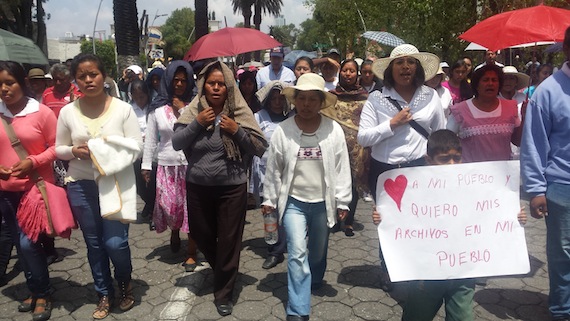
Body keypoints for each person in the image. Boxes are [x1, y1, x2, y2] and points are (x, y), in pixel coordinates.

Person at [373, 129, 527, 321]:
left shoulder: (472, 185)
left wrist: (514, 216)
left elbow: (491, 211)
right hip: (426, 274)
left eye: (457, 158)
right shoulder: (416, 189)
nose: (452, 164)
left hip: (463, 272)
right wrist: (383, 217)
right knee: (416, 316)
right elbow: (397, 217)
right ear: (428, 159)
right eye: (444, 159)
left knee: (462, 317)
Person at [172, 61, 267, 316]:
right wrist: (198, 124)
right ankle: (225, 270)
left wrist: (237, 131)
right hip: (198, 186)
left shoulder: (239, 113)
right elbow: (176, 142)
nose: (216, 88)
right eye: (211, 84)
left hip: (232, 187)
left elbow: (259, 147)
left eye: (221, 84)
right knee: (202, 235)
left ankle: (224, 292)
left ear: (228, 88)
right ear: (202, 87)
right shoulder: (194, 112)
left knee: (228, 241)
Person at [55, 54, 142, 319]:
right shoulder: (68, 112)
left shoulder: (122, 109)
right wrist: (73, 150)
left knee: (115, 243)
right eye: (82, 76)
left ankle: (125, 282)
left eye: (93, 74)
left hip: (115, 184)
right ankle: (103, 292)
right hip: (80, 185)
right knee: (94, 245)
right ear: (75, 80)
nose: (88, 79)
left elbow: (136, 147)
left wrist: (106, 152)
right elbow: (58, 148)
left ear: (104, 76)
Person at [262, 73, 351, 321]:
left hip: (323, 203)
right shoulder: (284, 131)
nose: (307, 104)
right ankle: (298, 308)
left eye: (313, 99)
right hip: (294, 203)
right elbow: (274, 168)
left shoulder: (333, 130)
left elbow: (342, 167)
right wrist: (269, 199)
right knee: (297, 252)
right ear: (295, 101)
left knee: (318, 251)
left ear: (321, 102)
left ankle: (316, 276)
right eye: (302, 98)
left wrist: (343, 201)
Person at [357, 43, 445, 291]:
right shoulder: (376, 99)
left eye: (411, 62)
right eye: (400, 63)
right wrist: (392, 124)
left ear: (417, 68)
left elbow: (440, 133)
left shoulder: (430, 97)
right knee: (388, 222)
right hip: (385, 170)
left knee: (419, 220)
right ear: (390, 69)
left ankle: (416, 267)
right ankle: (389, 269)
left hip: (420, 168)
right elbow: (363, 137)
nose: (406, 67)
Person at [0, 61, 58, 321]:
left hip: (34, 189)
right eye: (0, 84)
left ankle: (43, 293)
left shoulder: (41, 112)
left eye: (9, 82)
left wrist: (32, 161)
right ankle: (35, 289)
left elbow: (58, 147)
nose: (4, 89)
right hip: (5, 192)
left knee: (28, 243)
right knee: (22, 247)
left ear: (22, 82)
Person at [521, 26, 570, 321]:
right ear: (567, 48)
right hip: (562, 188)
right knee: (563, 256)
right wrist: (536, 189)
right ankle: (563, 311)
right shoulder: (548, 91)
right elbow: (534, 144)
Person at [143, 60, 199, 271]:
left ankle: (191, 252)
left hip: (190, 166)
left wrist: (183, 110)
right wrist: (146, 166)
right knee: (170, 209)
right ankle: (174, 232)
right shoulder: (157, 108)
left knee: (191, 210)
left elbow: (196, 127)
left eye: (184, 81)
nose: (179, 84)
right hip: (166, 166)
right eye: (175, 80)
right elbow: (150, 139)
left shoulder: (195, 105)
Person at [321, 59, 370, 237]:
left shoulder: (365, 97)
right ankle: (333, 217)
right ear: (339, 72)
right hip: (335, 144)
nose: (348, 74)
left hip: (357, 148)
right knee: (333, 180)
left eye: (351, 71)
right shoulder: (331, 96)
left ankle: (348, 221)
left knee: (353, 183)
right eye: (345, 70)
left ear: (356, 74)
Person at [250, 81, 294, 270]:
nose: (277, 102)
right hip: (265, 173)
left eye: (280, 98)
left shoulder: (293, 117)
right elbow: (253, 141)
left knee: (287, 211)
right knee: (269, 213)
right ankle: (273, 251)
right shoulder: (259, 117)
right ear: (267, 100)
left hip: (289, 173)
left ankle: (288, 244)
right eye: (273, 99)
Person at [447, 64, 522, 163]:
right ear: (476, 85)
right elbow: (447, 141)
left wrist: (525, 117)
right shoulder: (460, 110)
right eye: (485, 80)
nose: (490, 83)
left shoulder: (511, 107)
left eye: (494, 80)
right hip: (472, 175)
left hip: (504, 174)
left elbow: (517, 141)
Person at [129, 79, 156, 229]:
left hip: (152, 153)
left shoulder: (153, 109)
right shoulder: (129, 110)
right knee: (140, 186)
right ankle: (149, 203)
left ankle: (154, 212)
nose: (139, 101)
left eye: (142, 97)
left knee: (151, 184)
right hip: (136, 153)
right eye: (136, 97)